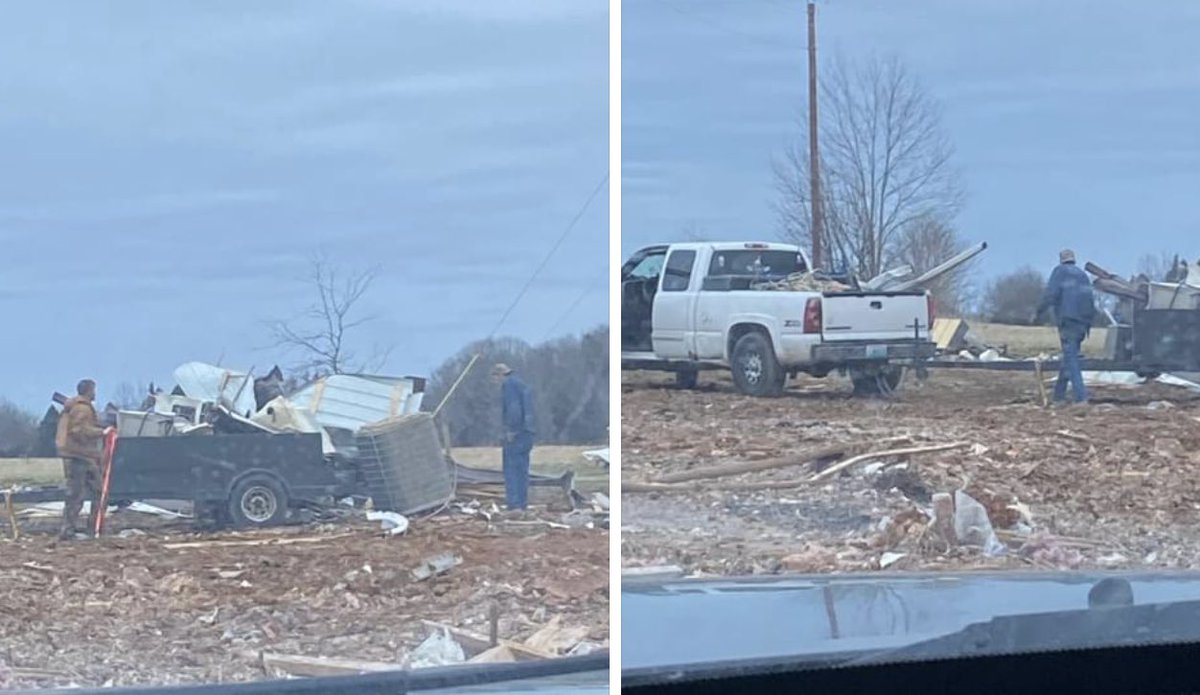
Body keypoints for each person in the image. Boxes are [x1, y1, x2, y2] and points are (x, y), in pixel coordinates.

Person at [1035, 249, 1096, 405]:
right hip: (1083, 322)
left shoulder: (1059, 272)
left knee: (1072, 358)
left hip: (1068, 320)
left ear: (1061, 260)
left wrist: (1038, 313)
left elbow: (1051, 294)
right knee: (1069, 356)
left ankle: (1081, 397)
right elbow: (1090, 299)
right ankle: (1059, 396)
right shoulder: (1083, 275)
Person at [55, 379, 107, 539]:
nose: (95, 393)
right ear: (88, 391)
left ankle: (93, 528)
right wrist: (102, 432)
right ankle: (70, 531)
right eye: (93, 390)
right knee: (77, 495)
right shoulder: (82, 409)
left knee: (97, 492)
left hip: (81, 455)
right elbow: (79, 430)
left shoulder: (75, 407)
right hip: (79, 456)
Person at [492, 363, 535, 511]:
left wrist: (511, 430)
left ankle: (514, 504)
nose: (496, 382)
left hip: (517, 434)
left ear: (500, 375)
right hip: (528, 432)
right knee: (522, 470)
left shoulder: (509, 386)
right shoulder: (522, 385)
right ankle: (522, 504)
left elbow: (514, 409)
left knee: (511, 469)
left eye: (495, 378)